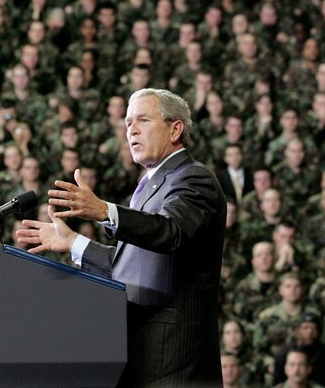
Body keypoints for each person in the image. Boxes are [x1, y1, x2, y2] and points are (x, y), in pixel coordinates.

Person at [18, 88, 227, 388]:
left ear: (175, 128)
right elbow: (131, 268)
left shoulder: (193, 178)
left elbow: (171, 232)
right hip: (142, 360)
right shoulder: (149, 187)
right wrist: (74, 242)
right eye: (128, 123)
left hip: (175, 365)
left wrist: (104, 210)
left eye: (143, 120)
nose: (132, 130)